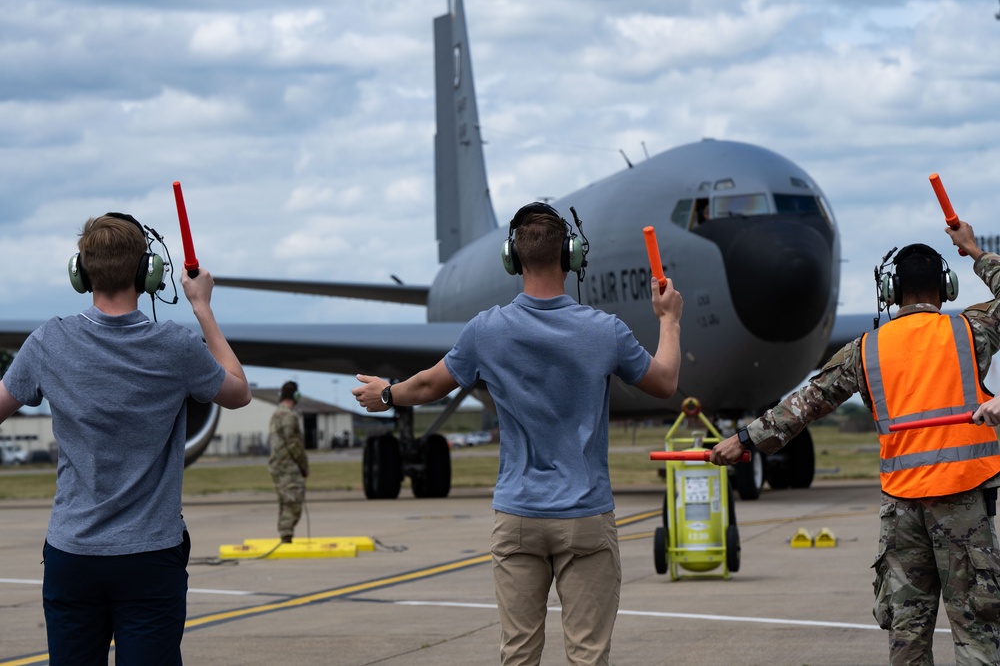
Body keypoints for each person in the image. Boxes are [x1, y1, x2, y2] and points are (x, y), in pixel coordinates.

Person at [352, 201, 683, 666]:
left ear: (512, 259)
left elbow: (427, 385)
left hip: (518, 515)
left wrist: (387, 395)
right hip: (584, 515)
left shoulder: (486, 330)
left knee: (519, 654)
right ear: (571, 256)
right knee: (588, 655)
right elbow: (665, 380)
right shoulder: (605, 331)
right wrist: (669, 320)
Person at [711, 220, 1000, 666]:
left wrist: (744, 439)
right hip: (962, 504)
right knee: (977, 633)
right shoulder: (971, 331)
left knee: (907, 639)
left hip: (902, 510)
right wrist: (977, 253)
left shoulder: (866, 350)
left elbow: (804, 403)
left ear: (890, 291)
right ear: (946, 288)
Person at [0, 213, 252, 665]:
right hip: (150, 556)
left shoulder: (47, 342)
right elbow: (238, 393)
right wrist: (202, 307)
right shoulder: (175, 346)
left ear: (80, 272)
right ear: (147, 273)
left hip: (71, 553)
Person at [269, 380, 309, 543]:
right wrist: (304, 466)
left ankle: (285, 534)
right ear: (296, 396)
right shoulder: (289, 416)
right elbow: (294, 444)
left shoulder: (276, 413)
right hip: (288, 466)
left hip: (277, 465)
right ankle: (286, 535)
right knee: (293, 502)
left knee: (285, 502)